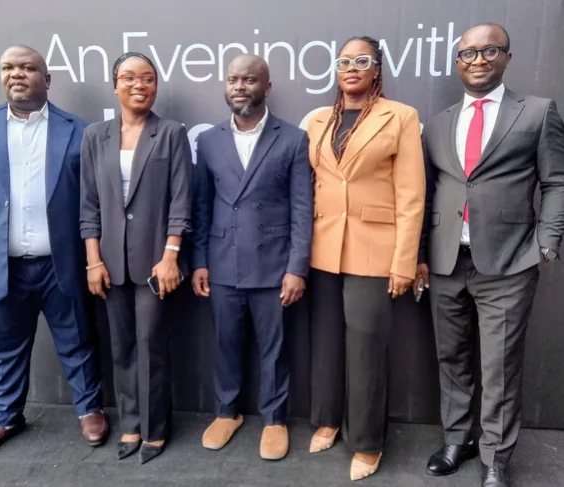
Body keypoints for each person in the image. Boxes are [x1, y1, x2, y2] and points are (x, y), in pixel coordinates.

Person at [417, 23, 564, 487]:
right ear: (457, 62)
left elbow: (556, 182)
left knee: (499, 366)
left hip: (509, 262)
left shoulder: (537, 112)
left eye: (489, 51)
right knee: (451, 358)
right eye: (468, 53)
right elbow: (427, 191)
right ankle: (456, 440)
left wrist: (547, 242)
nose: (478, 60)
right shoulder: (437, 123)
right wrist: (420, 255)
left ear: (507, 57)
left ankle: (495, 458)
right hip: (445, 261)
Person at [0, 45, 109, 460]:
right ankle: (5, 417)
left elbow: (94, 201)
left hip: (61, 263)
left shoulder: (79, 131)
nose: (16, 74)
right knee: (2, 348)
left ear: (46, 80)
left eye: (27, 68)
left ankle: (89, 410)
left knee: (78, 341)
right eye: (8, 67)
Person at [306, 36, 425, 481]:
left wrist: (404, 261)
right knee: (325, 344)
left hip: (375, 250)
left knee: (366, 350)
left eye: (362, 61)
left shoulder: (401, 116)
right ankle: (327, 419)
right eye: (344, 61)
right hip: (322, 248)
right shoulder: (318, 120)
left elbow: (411, 195)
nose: (351, 68)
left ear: (377, 69)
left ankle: (367, 441)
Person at [192, 54, 313, 461]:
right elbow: (201, 207)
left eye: (248, 80)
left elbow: (302, 209)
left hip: (274, 265)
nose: (239, 87)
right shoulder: (209, 140)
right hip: (222, 262)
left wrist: (297, 268)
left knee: (274, 350)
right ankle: (227, 413)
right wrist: (200, 261)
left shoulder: (292, 139)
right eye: (233, 80)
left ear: (266, 87)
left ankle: (275, 419)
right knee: (225, 344)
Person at [80, 52, 193, 465]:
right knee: (121, 345)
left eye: (148, 78)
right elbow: (88, 204)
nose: (139, 85)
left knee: (151, 344)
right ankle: (130, 423)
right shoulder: (95, 135)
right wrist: (93, 261)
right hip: (110, 263)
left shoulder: (171, 133)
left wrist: (171, 256)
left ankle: (156, 428)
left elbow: (181, 200)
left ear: (156, 86)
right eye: (129, 78)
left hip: (155, 263)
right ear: (115, 85)